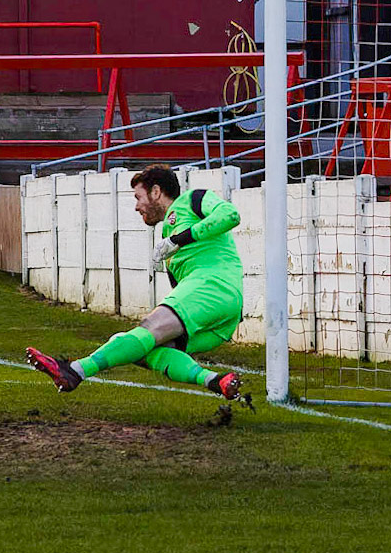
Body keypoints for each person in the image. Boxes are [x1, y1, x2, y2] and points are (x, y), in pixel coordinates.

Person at [26, 164, 244, 401]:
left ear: (156, 191)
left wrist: (179, 239)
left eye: (139, 197)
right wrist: (172, 244)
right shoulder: (166, 238)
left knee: (148, 329)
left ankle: (75, 371)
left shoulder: (193, 199)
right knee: (138, 348)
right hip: (223, 316)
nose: (137, 206)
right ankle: (214, 380)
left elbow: (230, 215)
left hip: (212, 285)